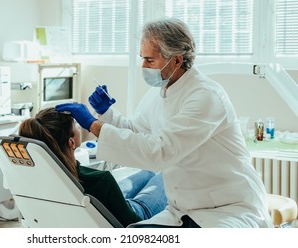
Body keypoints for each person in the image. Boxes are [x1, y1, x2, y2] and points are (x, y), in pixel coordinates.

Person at [55, 17, 273, 228]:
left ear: (177, 59)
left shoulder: (205, 96)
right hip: (182, 209)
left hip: (227, 209)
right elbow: (136, 130)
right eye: (142, 58)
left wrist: (93, 124)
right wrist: (106, 113)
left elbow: (158, 152)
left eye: (149, 60)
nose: (144, 66)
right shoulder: (162, 92)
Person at [18, 107, 167, 227]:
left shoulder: (38, 177)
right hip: (129, 214)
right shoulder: (100, 180)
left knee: (147, 173)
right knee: (166, 174)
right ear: (71, 143)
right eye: (76, 125)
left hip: (95, 207)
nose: (79, 127)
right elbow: (132, 223)